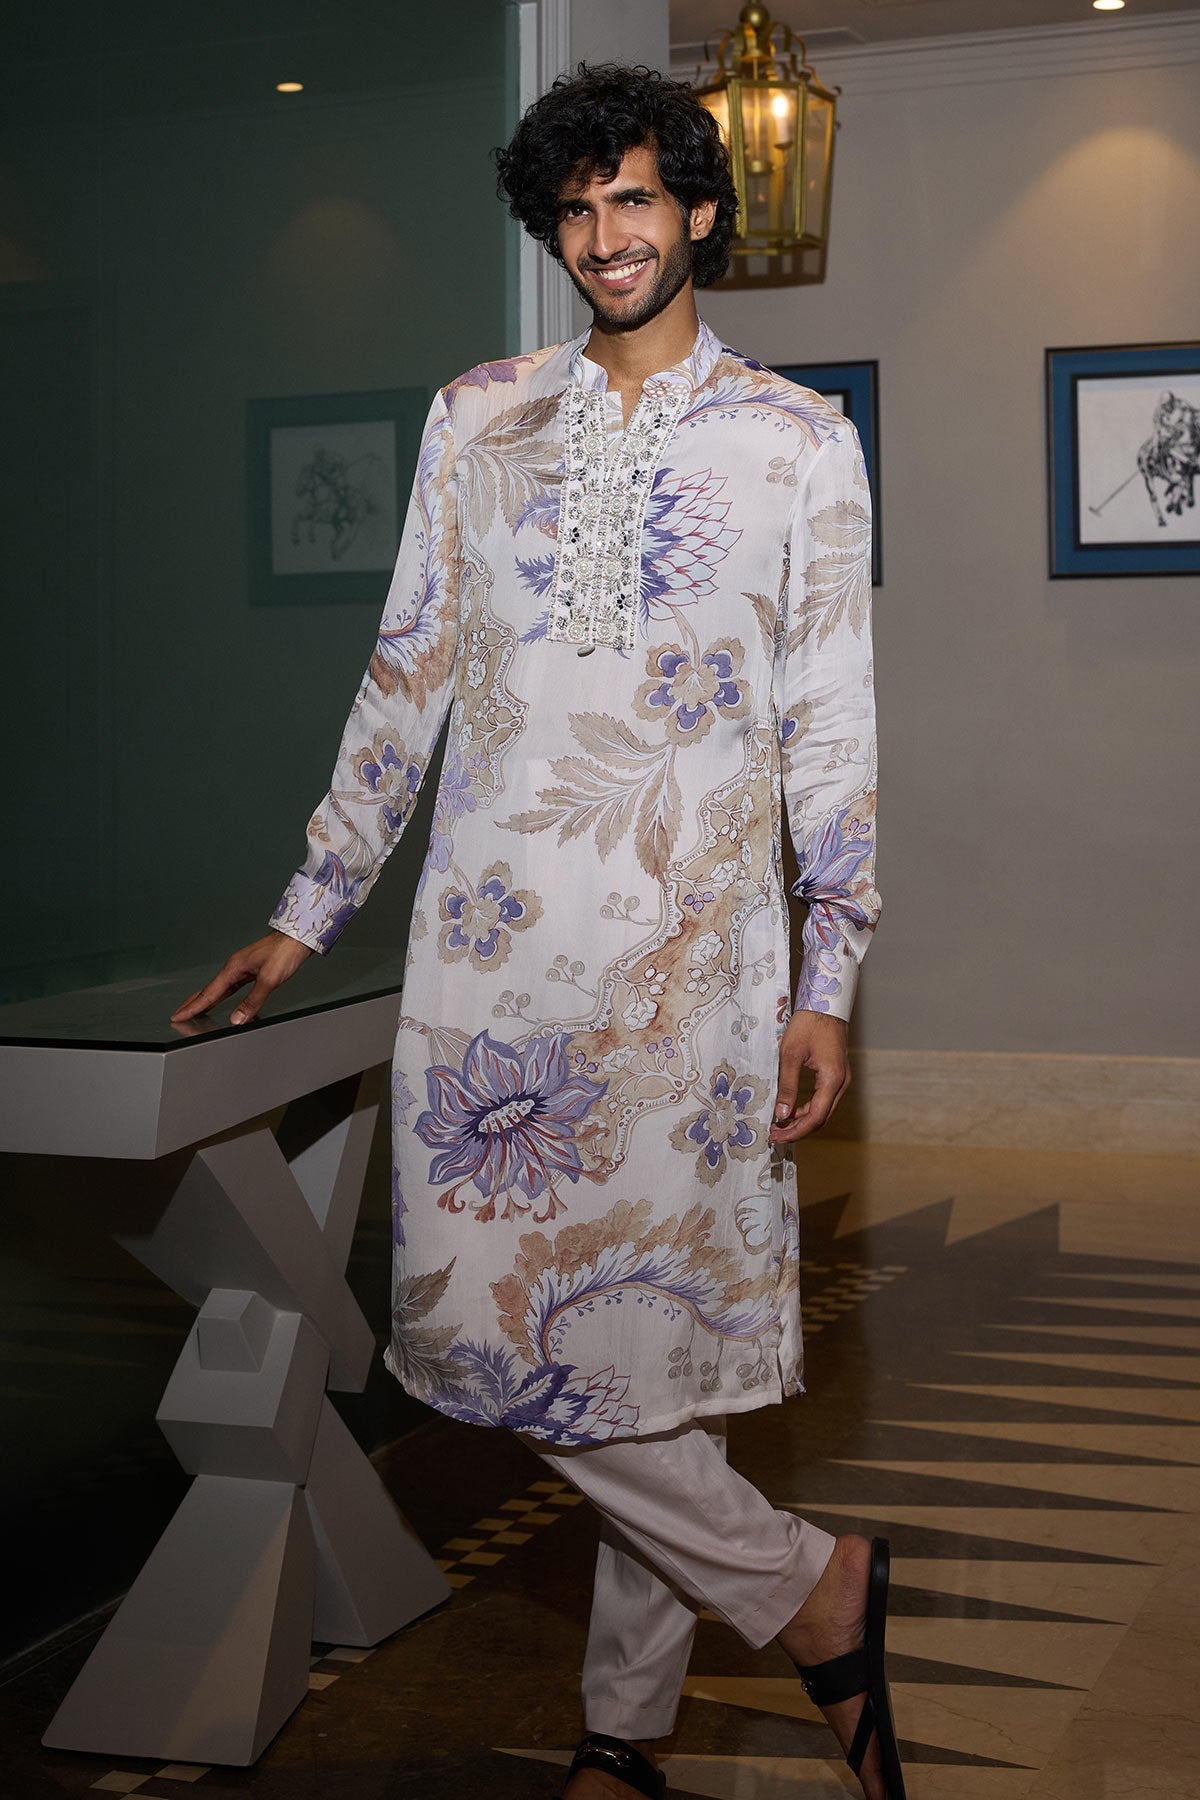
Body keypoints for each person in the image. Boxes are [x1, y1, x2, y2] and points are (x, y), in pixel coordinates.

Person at [172, 63, 900, 1800]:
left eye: (635, 198)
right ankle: (810, 1586)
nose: (605, 236)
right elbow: (406, 681)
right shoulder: (476, 420)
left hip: (696, 971)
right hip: (491, 969)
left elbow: (831, 728)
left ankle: (625, 1737)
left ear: (700, 211)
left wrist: (829, 974)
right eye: (575, 210)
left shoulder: (798, 442)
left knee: (652, 1359)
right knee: (488, 1340)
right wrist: (307, 907)